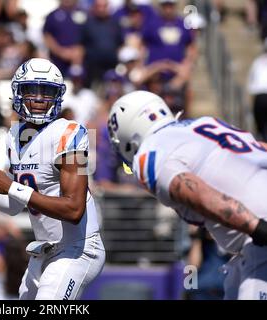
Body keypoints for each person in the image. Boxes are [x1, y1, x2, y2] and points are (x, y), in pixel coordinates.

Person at [107, 90, 267, 300]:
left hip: (255, 234)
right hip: (237, 257)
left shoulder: (150, 154)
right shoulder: (203, 124)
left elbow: (194, 192)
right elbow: (259, 149)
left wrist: (256, 227)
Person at [0, 58, 105, 300]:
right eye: (33, 90)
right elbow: (13, 205)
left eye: (48, 91)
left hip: (77, 249)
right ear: (18, 93)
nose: (41, 98)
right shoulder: (14, 135)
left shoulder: (72, 133)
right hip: (44, 251)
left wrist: (11, 186)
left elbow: (74, 209)